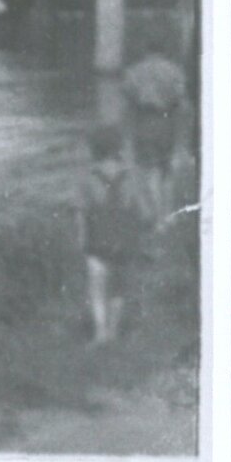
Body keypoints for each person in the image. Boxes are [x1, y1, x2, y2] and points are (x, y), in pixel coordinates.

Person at [77, 126, 156, 344]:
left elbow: (82, 213)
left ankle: (100, 333)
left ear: (94, 149)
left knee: (97, 288)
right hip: (125, 241)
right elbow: (146, 213)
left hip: (96, 243)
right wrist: (143, 230)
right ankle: (113, 331)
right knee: (119, 288)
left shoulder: (87, 178)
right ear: (118, 148)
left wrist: (82, 239)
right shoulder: (132, 176)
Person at [121, 48, 189, 216]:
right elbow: (181, 104)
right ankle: (166, 214)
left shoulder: (134, 71)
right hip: (167, 122)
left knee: (146, 170)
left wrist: (127, 135)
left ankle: (151, 213)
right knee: (165, 172)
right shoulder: (174, 71)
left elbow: (128, 104)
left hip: (143, 122)